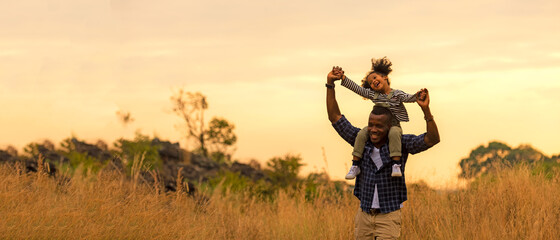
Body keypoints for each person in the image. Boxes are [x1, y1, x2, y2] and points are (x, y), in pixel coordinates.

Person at [325, 66, 440, 240]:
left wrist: (426, 111)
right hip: (364, 215)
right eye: (371, 124)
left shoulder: (400, 142)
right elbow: (335, 117)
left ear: (389, 127)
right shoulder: (361, 140)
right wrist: (330, 84)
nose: (373, 130)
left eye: (379, 126)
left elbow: (432, 139)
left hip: (389, 216)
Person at [340, 57, 420, 180]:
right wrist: (343, 78)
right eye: (371, 83)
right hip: (376, 127)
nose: (373, 82)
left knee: (394, 134)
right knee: (361, 133)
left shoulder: (397, 94)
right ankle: (355, 165)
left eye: (375, 78)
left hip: (393, 125)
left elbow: (409, 98)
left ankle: (396, 164)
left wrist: (418, 96)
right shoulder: (374, 95)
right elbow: (358, 89)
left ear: (385, 77)